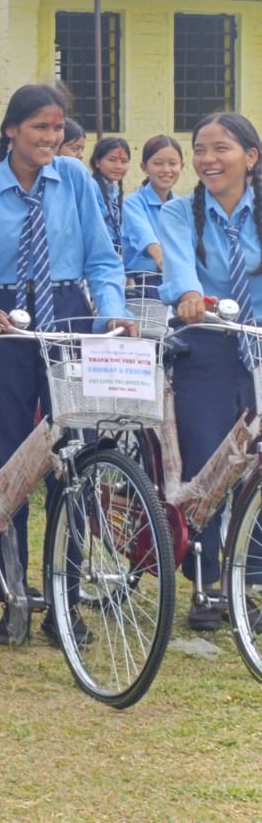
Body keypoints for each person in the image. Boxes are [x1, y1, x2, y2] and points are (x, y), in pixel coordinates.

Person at [0, 84, 135, 643]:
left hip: (70, 316)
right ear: (11, 132)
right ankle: (12, 599)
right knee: (11, 463)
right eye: (40, 129)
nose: (52, 138)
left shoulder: (76, 179)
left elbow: (103, 257)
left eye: (58, 129)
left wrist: (115, 312)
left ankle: (65, 603)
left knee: (73, 460)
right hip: (5, 323)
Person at [157, 113, 262, 629]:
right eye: (200, 149)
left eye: (221, 148)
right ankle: (206, 586)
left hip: (259, 343)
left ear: (251, 156)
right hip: (208, 345)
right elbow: (178, 265)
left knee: (256, 467)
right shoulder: (181, 212)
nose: (207, 160)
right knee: (210, 466)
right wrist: (190, 294)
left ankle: (248, 584)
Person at [123, 135, 183, 292]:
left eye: (173, 163)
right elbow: (145, 236)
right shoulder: (133, 202)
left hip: (179, 279)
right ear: (144, 167)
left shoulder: (182, 205)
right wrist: (162, 259)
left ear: (182, 166)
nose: (166, 170)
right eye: (158, 163)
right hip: (144, 283)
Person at [87, 136, 143, 260]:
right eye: (112, 160)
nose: (119, 166)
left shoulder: (113, 190)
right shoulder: (90, 187)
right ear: (97, 162)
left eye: (124, 161)